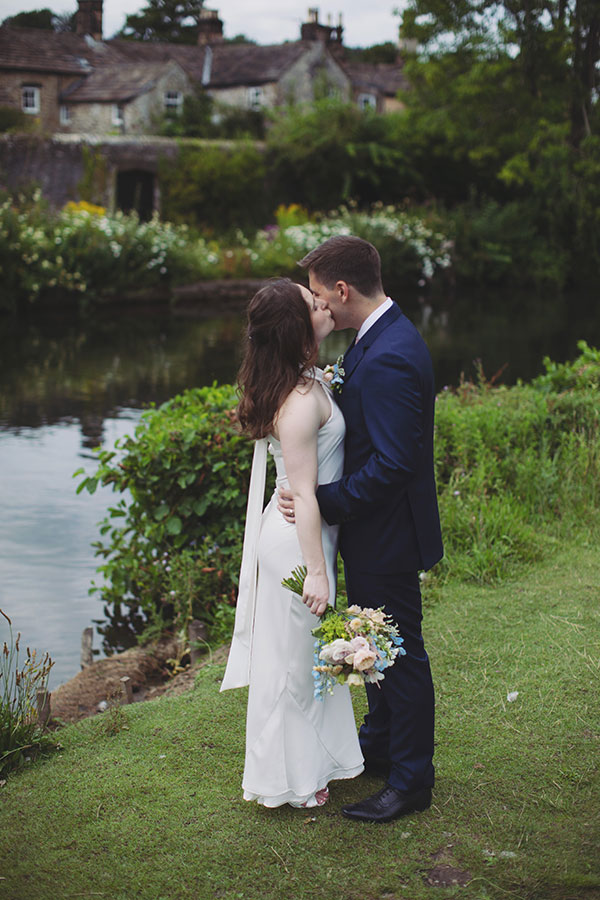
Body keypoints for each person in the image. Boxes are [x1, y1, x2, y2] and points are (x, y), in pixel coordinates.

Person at [279, 235, 443, 823]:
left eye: (321, 294)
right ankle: (379, 744)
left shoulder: (392, 352)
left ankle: (411, 780)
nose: (319, 305)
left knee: (399, 655)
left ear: (343, 290)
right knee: (375, 645)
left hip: (388, 534)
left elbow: (395, 465)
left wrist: (320, 500)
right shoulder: (379, 338)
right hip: (375, 532)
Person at [220, 277, 364, 809]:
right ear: (296, 330)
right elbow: (303, 496)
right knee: (292, 666)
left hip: (303, 537)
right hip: (295, 547)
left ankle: (314, 765)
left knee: (303, 658)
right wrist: (319, 573)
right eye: (311, 304)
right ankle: (291, 781)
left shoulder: (305, 379)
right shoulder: (300, 401)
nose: (322, 302)